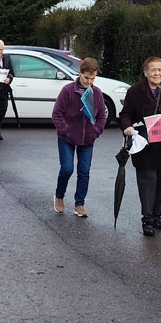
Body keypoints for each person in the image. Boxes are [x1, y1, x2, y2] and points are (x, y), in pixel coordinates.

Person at [118, 56, 161, 236]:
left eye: (160, 70)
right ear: (146, 72)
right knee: (147, 183)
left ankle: (158, 215)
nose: (157, 73)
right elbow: (125, 114)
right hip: (145, 147)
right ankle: (147, 219)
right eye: (153, 70)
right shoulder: (135, 92)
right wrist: (127, 127)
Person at [51, 57, 106, 218]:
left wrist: (95, 131)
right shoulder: (68, 90)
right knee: (67, 168)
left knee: (84, 171)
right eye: (86, 78)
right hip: (67, 137)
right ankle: (59, 196)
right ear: (79, 73)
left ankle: (79, 203)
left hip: (87, 138)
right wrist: (67, 130)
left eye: (92, 78)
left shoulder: (97, 93)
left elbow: (102, 116)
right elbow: (57, 114)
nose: (89, 81)